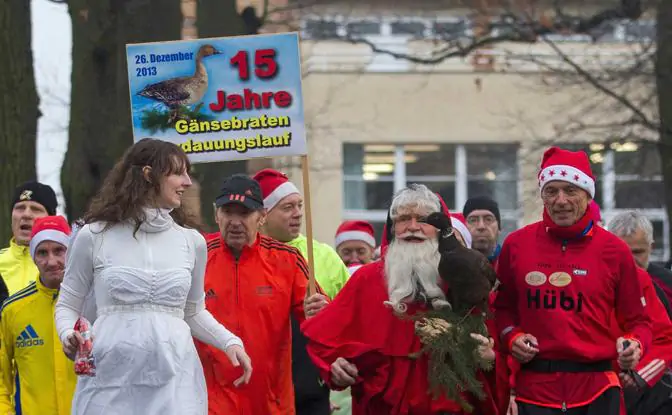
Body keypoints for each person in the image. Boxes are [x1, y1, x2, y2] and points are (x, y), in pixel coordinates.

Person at [54, 138, 251, 415]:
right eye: (177, 173)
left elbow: (193, 311)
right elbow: (67, 304)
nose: (187, 182)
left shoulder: (191, 242)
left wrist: (230, 341)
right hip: (110, 382)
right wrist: (67, 334)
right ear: (148, 175)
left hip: (175, 381)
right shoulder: (94, 236)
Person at [302, 184, 497, 415]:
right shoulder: (366, 280)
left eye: (424, 219)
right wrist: (334, 365)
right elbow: (325, 341)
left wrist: (489, 357)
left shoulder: (463, 281)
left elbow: (496, 353)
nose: (412, 227)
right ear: (392, 227)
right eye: (403, 219)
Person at [494, 146, 653, 415]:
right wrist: (512, 338)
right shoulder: (516, 245)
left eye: (570, 190)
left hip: (598, 390)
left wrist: (634, 345)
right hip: (535, 391)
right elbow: (501, 310)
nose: (561, 200)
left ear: (588, 194)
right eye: (551, 190)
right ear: (542, 195)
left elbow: (640, 322)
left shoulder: (614, 251)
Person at [195, 174, 328, 414]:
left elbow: (319, 322)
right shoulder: (197, 256)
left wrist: (321, 311)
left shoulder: (287, 260)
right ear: (216, 215)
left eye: (244, 213)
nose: (235, 222)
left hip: (271, 403)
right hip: (210, 403)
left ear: (262, 217)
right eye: (228, 212)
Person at [252, 168, 349, 415]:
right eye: (287, 208)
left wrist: (328, 312)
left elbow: (350, 318)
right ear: (263, 214)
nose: (298, 214)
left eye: (299, 205)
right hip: (259, 384)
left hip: (311, 387)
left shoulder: (324, 255)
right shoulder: (247, 255)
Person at [0, 216, 77, 414]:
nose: (51, 261)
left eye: (59, 250)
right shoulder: (13, 310)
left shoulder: (92, 303)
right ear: (33, 256)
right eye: (42, 252)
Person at [610, 267, 672, 415]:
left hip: (625, 394)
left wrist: (638, 375)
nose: (633, 259)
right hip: (556, 387)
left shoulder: (636, 276)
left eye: (638, 252)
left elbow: (665, 337)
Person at [608, 211, 672, 315]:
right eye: (623, 253)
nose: (631, 260)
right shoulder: (598, 285)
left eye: (637, 252)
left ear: (651, 247)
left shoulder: (668, 284)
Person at [0, 181, 57, 295]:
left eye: (36, 209)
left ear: (51, 219)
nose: (26, 215)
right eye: (20, 208)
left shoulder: (62, 265)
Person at [463, 196, 501, 264]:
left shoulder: (511, 264)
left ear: (499, 228)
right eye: (473, 220)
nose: (481, 226)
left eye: (488, 219)